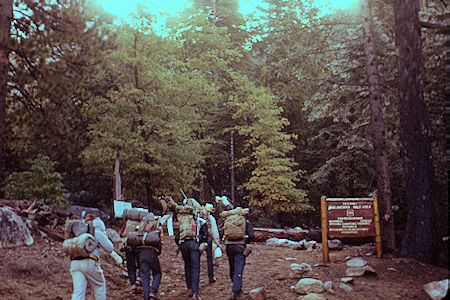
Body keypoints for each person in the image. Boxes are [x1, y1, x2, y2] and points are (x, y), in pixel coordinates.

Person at [70, 216, 114, 300]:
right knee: (99, 286)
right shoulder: (97, 232)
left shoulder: (78, 231)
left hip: (75, 262)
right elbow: (110, 248)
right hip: (89, 261)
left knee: (78, 291)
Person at [175, 203, 209, 300]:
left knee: (187, 266)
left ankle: (189, 289)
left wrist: (180, 246)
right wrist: (203, 243)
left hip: (183, 245)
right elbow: (205, 235)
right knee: (195, 268)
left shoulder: (182, 221)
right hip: (194, 245)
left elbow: (177, 237)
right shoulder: (199, 221)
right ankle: (195, 292)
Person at [221, 208, 254, 300]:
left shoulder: (228, 220)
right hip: (240, 247)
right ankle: (235, 290)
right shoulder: (245, 221)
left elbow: (222, 233)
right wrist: (246, 241)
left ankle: (236, 286)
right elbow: (251, 235)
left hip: (229, 247)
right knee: (238, 269)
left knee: (232, 268)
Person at [135, 212, 162, 300]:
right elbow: (159, 242)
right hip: (152, 253)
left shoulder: (141, 226)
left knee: (144, 276)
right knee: (157, 273)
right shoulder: (154, 226)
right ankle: (153, 289)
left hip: (141, 253)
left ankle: (146, 297)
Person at [202, 203, 220, 284]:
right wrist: (217, 241)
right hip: (208, 239)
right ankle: (211, 276)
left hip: (198, 240)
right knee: (209, 258)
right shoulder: (211, 218)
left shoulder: (198, 216)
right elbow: (214, 231)